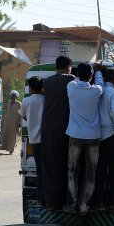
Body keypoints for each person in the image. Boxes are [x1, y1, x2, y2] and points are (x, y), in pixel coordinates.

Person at [64, 63, 104, 214]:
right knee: (90, 172)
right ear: (91, 76)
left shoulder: (71, 87)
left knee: (72, 170)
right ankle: (83, 206)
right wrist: (99, 71)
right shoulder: (96, 90)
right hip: (93, 136)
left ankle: (72, 204)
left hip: (74, 135)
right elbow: (100, 83)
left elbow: (73, 80)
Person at [41, 55, 75, 210]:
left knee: (50, 164)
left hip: (47, 128)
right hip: (64, 128)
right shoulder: (70, 80)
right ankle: (67, 200)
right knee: (67, 165)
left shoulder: (47, 82)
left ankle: (51, 202)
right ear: (68, 66)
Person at [94, 68, 114, 212]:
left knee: (99, 171)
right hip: (111, 136)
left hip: (97, 136)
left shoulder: (97, 91)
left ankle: (99, 202)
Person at [19, 76, 45, 205]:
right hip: (46, 140)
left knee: (39, 169)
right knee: (48, 169)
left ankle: (40, 199)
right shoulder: (45, 100)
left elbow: (23, 116)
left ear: (30, 88)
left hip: (34, 140)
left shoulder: (25, 101)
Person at [0, 90, 21, 154]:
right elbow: (6, 113)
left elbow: (22, 114)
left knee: (12, 137)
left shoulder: (19, 104)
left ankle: (11, 150)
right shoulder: (8, 103)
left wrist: (20, 122)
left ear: (16, 97)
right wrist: (2, 121)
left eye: (14, 96)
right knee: (5, 135)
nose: (12, 97)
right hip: (7, 122)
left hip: (15, 123)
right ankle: (4, 148)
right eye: (11, 96)